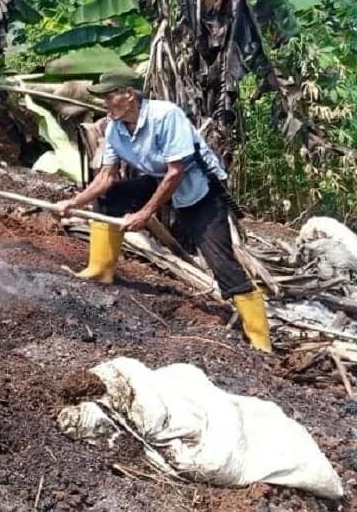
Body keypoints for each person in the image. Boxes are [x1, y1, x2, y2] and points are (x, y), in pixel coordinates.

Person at [55, 68, 272, 353]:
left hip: (198, 189)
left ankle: (260, 340)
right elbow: (106, 176)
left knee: (221, 262)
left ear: (129, 95)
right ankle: (100, 270)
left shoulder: (165, 116)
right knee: (112, 196)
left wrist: (144, 214)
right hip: (163, 180)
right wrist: (75, 203)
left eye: (109, 97)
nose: (105, 104)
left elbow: (176, 172)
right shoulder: (115, 127)